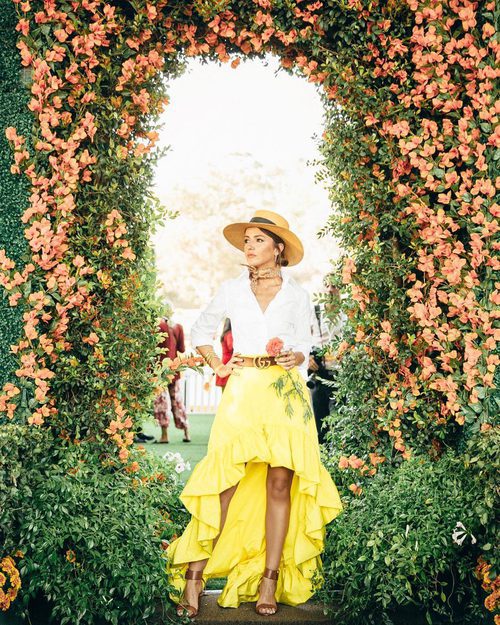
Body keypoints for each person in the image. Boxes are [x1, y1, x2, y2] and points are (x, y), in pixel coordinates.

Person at [166, 210, 343, 618]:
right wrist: (217, 363)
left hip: (285, 393)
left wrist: (296, 355)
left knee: (280, 484)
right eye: (246, 239)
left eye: (258, 239)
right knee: (224, 481)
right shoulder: (231, 288)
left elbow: (305, 344)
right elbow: (202, 330)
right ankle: (195, 576)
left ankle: (270, 578)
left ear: (277, 248)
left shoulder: (298, 294)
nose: (248, 246)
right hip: (244, 390)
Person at [308, 281, 347, 443]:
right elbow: (300, 339)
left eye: (335, 285)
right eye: (327, 286)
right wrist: (307, 357)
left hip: (342, 375)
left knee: (341, 421)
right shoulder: (314, 312)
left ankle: (340, 458)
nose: (331, 289)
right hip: (319, 373)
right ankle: (322, 459)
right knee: (320, 421)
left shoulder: (347, 314)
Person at [155, 312, 191, 444]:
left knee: (161, 403)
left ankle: (165, 435)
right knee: (177, 401)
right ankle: (187, 432)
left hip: (159, 371)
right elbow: (181, 349)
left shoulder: (157, 326)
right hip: (174, 370)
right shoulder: (178, 327)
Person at [215, 318, 233, 391]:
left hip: (224, 360)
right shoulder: (229, 334)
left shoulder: (224, 334)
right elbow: (231, 347)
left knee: (224, 391)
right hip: (229, 361)